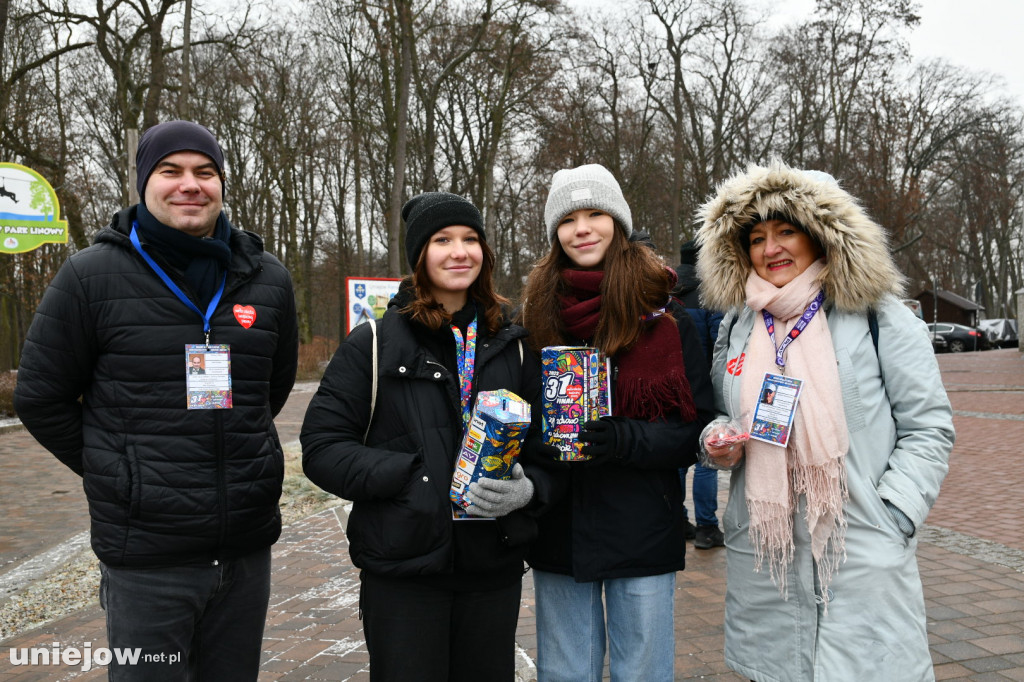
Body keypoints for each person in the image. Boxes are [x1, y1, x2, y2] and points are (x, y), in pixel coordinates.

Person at [14, 120, 299, 679]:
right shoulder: (90, 275)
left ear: (221, 184)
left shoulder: (267, 278)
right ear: (144, 183)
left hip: (245, 545)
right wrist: (121, 470)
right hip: (148, 554)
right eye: (170, 171)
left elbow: (272, 387)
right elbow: (40, 397)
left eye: (205, 172)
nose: (189, 185)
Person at [696, 160, 955, 681]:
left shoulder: (879, 316)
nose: (771, 249)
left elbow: (929, 427)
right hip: (767, 559)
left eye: (786, 231)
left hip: (859, 547)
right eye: (757, 238)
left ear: (820, 236)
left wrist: (893, 517)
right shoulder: (739, 323)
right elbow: (725, 410)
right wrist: (716, 440)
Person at [301, 192, 557, 682]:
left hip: (491, 567)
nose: (459, 251)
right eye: (442, 240)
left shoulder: (515, 344)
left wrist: (529, 491)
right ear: (420, 254)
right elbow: (323, 448)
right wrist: (412, 479)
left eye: (470, 239)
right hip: (404, 571)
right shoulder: (374, 342)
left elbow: (548, 451)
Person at [519, 164, 714, 682]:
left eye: (595, 214)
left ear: (618, 224)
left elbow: (696, 427)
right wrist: (540, 443)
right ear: (555, 234)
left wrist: (624, 437)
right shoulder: (536, 318)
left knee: (643, 672)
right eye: (568, 219)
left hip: (642, 526)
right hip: (560, 527)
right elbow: (517, 414)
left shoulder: (667, 319)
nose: (582, 228)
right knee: (564, 672)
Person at [673, 238, 726, 549]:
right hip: (704, 386)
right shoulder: (711, 293)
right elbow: (721, 343)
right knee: (707, 458)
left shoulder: (665, 292)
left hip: (670, 391)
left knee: (678, 459)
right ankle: (707, 526)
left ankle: (678, 521)